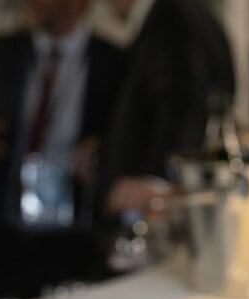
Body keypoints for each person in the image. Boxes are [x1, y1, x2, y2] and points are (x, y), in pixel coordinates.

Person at [0, 0, 126, 299]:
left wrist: (103, 156)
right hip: (7, 236)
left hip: (75, 241)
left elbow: (127, 140)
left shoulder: (114, 62)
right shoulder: (5, 53)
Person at [96, 0, 236, 219]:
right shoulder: (186, 14)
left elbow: (186, 106)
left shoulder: (172, 19)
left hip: (162, 204)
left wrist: (156, 179)